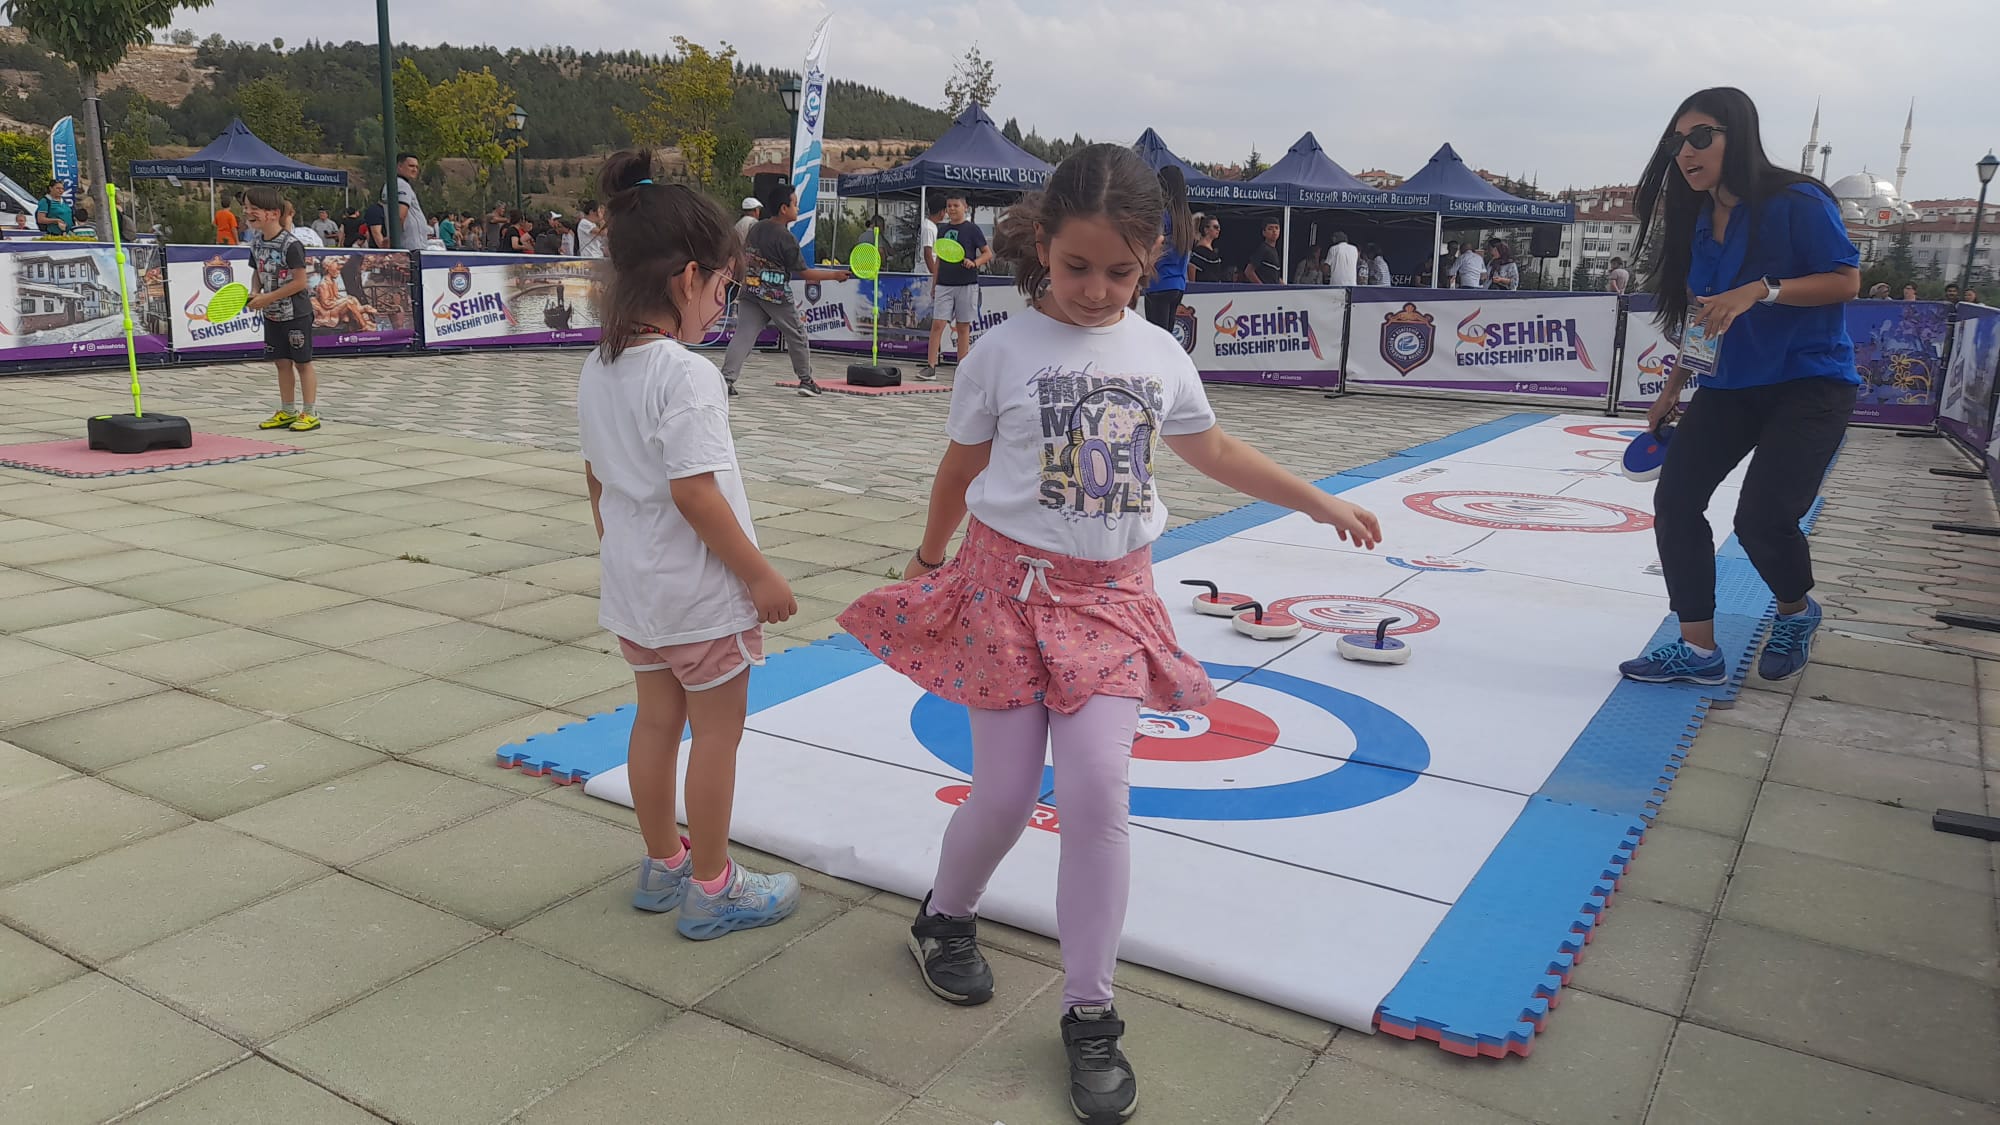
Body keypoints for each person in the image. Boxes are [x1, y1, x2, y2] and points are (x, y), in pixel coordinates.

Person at [836, 143, 1382, 1125]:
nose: (1094, 289)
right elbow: (959, 472)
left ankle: (1090, 1013)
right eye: (1075, 266)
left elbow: (1208, 446)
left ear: (1152, 260)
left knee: (1095, 797)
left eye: (1118, 272)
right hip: (1004, 594)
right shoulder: (999, 350)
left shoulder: (1157, 354)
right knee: (1001, 796)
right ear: (1042, 247)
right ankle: (942, 918)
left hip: (1111, 601)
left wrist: (1312, 499)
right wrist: (927, 560)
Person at [576, 149, 804, 941]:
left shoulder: (599, 367)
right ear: (687, 278)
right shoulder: (686, 374)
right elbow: (696, 492)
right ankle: (714, 884)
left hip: (635, 593)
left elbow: (598, 478)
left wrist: (623, 551)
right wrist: (761, 575)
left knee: (652, 724)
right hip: (701, 597)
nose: (721, 304)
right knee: (716, 735)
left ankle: (663, 863)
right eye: (723, 288)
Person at [1619, 86, 1861, 688]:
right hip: (1729, 386)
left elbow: (1846, 279)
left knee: (1761, 519)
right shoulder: (1698, 223)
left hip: (1810, 383)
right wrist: (1673, 386)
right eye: (1678, 141)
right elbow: (1706, 314)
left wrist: (1762, 289)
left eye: (1701, 136)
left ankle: (1796, 611)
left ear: (1739, 135)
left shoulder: (1796, 200)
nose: (1686, 152)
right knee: (1676, 503)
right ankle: (1699, 651)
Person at [720, 183, 849, 397]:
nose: (797, 209)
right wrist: (834, 275)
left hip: (750, 290)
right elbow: (805, 273)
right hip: (775, 294)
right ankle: (806, 381)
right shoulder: (786, 239)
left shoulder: (757, 228)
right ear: (783, 209)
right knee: (797, 334)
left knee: (743, 335)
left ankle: (726, 380)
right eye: (795, 204)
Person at [243, 188, 322, 434]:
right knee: (281, 362)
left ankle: (309, 413)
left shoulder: (292, 245)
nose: (248, 213)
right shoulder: (255, 242)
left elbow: (300, 282)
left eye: (254, 208)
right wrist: (255, 291)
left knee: (302, 363)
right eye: (246, 208)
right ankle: (288, 411)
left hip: (295, 313)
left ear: (273, 213)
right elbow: (257, 271)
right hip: (272, 314)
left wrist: (267, 297)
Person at [921, 193, 991, 381]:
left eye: (955, 206)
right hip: (945, 282)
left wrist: (974, 263)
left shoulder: (972, 229)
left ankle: (962, 368)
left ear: (964, 207)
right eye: (949, 206)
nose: (952, 209)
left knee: (963, 326)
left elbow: (987, 253)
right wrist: (934, 283)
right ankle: (930, 366)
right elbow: (939, 260)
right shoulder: (942, 230)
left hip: (966, 283)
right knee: (938, 324)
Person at [1143, 166, 1193, 333]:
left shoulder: (1162, 215)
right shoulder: (1185, 218)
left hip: (1158, 283)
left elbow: (1153, 244)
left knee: (1156, 340)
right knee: (1167, 338)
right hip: (1178, 284)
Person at [382, 152, 429, 250]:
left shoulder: (391, 184)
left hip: (407, 244)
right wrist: (393, 238)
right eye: (411, 166)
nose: (415, 170)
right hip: (412, 246)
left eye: (416, 167)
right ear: (399, 166)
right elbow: (400, 215)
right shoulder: (402, 185)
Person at [1242, 219, 1282, 284]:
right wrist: (1262, 287)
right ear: (1264, 232)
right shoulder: (1263, 249)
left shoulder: (1274, 250)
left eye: (1276, 228)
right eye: (1270, 228)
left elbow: (1275, 276)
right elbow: (1248, 271)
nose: (1274, 231)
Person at [1188, 214, 1223, 283]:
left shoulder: (1209, 249)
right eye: (1215, 227)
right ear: (1206, 230)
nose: (1218, 229)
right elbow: (1191, 267)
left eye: (1219, 227)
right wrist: (1194, 287)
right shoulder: (1200, 250)